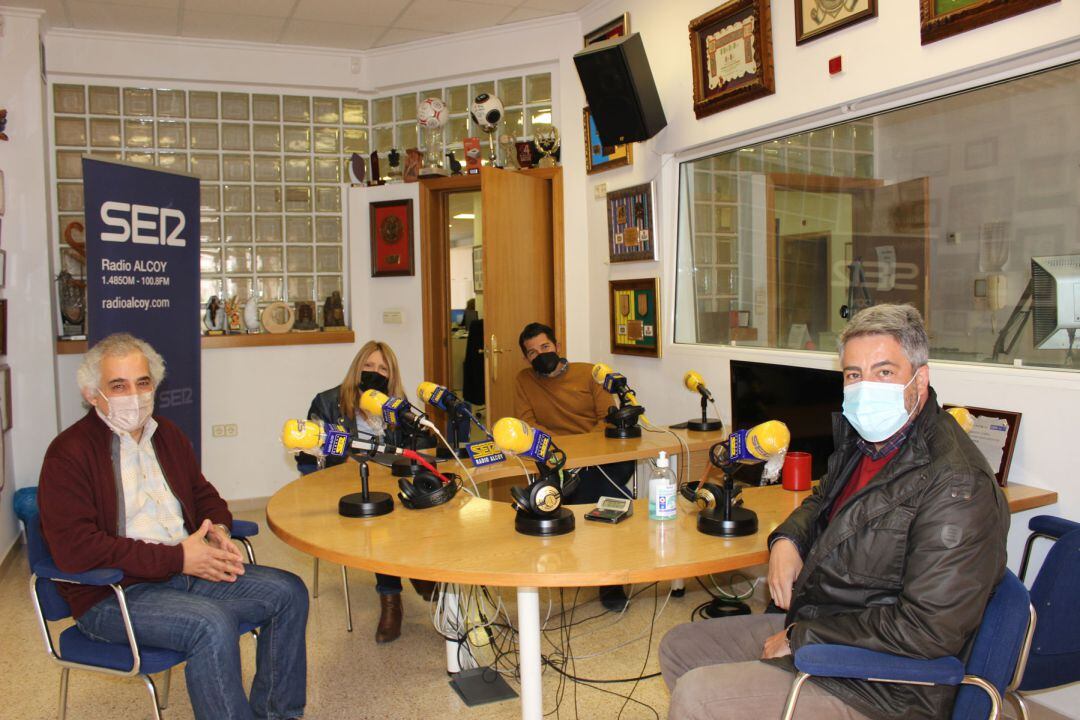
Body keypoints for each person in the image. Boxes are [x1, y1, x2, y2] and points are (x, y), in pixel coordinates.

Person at [659, 304, 1009, 720]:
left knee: (699, 696)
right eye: (853, 375)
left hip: (885, 686)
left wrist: (804, 637)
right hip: (828, 621)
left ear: (921, 377)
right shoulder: (868, 441)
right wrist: (788, 539)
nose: (865, 388)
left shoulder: (955, 485)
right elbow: (820, 502)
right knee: (680, 647)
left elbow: (929, 630)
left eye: (884, 372)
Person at [38, 333, 308, 720]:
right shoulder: (69, 453)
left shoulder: (167, 435)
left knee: (289, 592)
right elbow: (76, 549)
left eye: (143, 382)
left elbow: (204, 496)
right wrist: (178, 558)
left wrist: (218, 529)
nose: (135, 394)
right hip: (114, 594)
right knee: (211, 624)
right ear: (92, 393)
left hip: (187, 570)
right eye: (119, 385)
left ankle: (277, 714)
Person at [298, 340, 436, 643]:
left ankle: (418, 570)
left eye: (383, 369)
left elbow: (417, 450)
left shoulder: (395, 405)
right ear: (357, 368)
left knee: (424, 503)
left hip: (389, 482)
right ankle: (391, 600)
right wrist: (342, 459)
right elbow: (308, 454)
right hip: (346, 487)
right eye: (369, 366)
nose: (375, 372)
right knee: (380, 519)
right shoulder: (327, 401)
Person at [513, 322, 635, 611]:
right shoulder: (523, 380)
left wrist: (584, 450)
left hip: (602, 455)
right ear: (526, 359)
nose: (540, 355)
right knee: (581, 494)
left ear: (557, 346)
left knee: (596, 491)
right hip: (556, 458)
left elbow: (607, 416)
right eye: (532, 352)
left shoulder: (589, 373)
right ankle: (588, 566)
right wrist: (562, 450)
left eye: (545, 347)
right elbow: (527, 422)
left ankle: (610, 579)